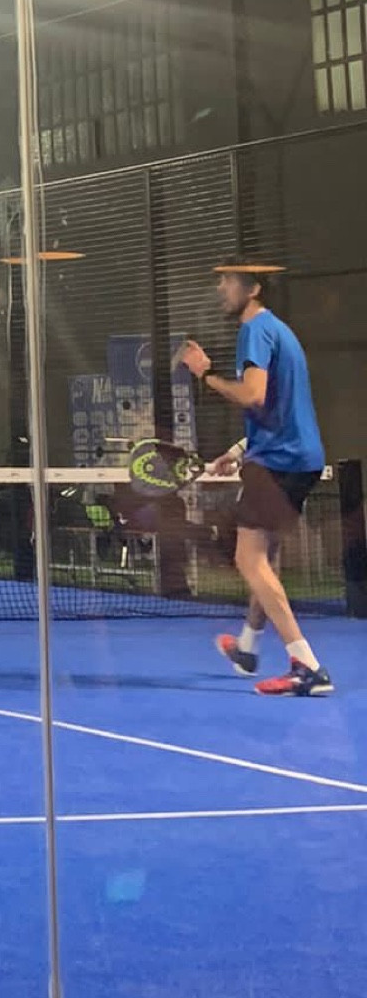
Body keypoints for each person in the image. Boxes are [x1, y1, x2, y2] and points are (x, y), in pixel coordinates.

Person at [179, 266, 332, 697]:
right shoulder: (279, 331)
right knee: (266, 555)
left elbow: (253, 395)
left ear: (253, 288)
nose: (220, 287)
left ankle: (307, 666)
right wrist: (238, 450)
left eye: (227, 280)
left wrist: (205, 374)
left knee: (249, 560)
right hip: (299, 458)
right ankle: (247, 646)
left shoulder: (255, 331)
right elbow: (278, 408)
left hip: (279, 463)